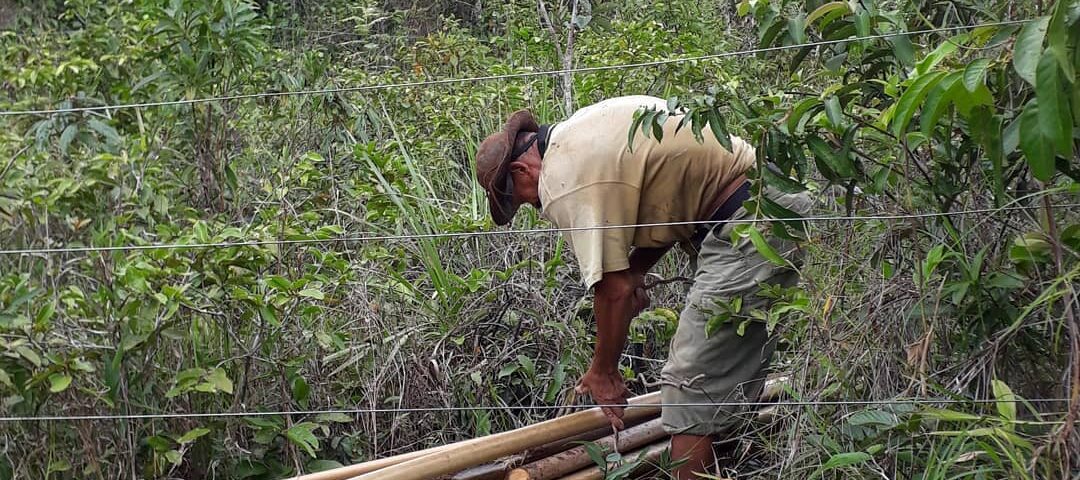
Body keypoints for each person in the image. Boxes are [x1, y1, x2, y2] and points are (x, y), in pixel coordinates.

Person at [473, 96, 811, 479]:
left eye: (518, 197)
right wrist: (636, 270)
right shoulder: (582, 131)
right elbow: (668, 196)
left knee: (689, 384)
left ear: (520, 169)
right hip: (764, 202)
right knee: (720, 374)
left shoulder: (561, 178)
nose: (532, 204)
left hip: (749, 223)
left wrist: (603, 372)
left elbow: (613, 290)